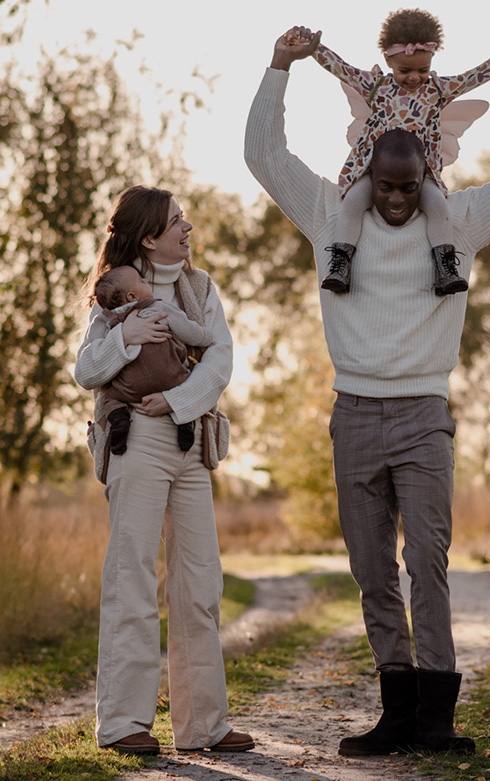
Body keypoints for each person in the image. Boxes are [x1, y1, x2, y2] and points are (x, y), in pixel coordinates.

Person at [245, 30, 490, 756]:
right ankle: (396, 706)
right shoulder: (329, 215)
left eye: (408, 187)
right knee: (371, 568)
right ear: (364, 171)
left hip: (423, 413)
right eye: (382, 186)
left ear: (429, 173)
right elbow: (264, 157)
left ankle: (438, 713)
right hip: (352, 410)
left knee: (429, 558)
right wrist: (279, 68)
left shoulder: (462, 224)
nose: (393, 199)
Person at [74, 185, 254, 755]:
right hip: (135, 442)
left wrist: (178, 402)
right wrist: (127, 337)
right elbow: (86, 370)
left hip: (190, 438)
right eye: (177, 221)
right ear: (149, 236)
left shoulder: (201, 289)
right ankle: (124, 723)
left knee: (200, 581)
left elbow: (220, 358)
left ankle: (203, 725)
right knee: (131, 576)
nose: (188, 227)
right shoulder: (116, 294)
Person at [284, 10, 490, 296]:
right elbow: (342, 69)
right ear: (389, 61)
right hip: (374, 171)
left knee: (438, 205)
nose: (415, 77)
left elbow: (471, 79)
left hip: (418, 173)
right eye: (405, 71)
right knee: (352, 203)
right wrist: (315, 49)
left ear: (431, 62)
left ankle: (445, 268)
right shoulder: (377, 87)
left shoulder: (436, 90)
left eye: (422, 70)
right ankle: (340, 264)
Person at [90, 265, 214, 456]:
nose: (146, 281)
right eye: (141, 280)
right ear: (132, 297)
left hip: (130, 388)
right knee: (187, 378)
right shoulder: (157, 307)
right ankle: (185, 423)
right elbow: (188, 331)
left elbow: (93, 349)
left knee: (110, 398)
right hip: (170, 377)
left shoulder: (105, 321)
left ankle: (119, 418)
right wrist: (206, 337)